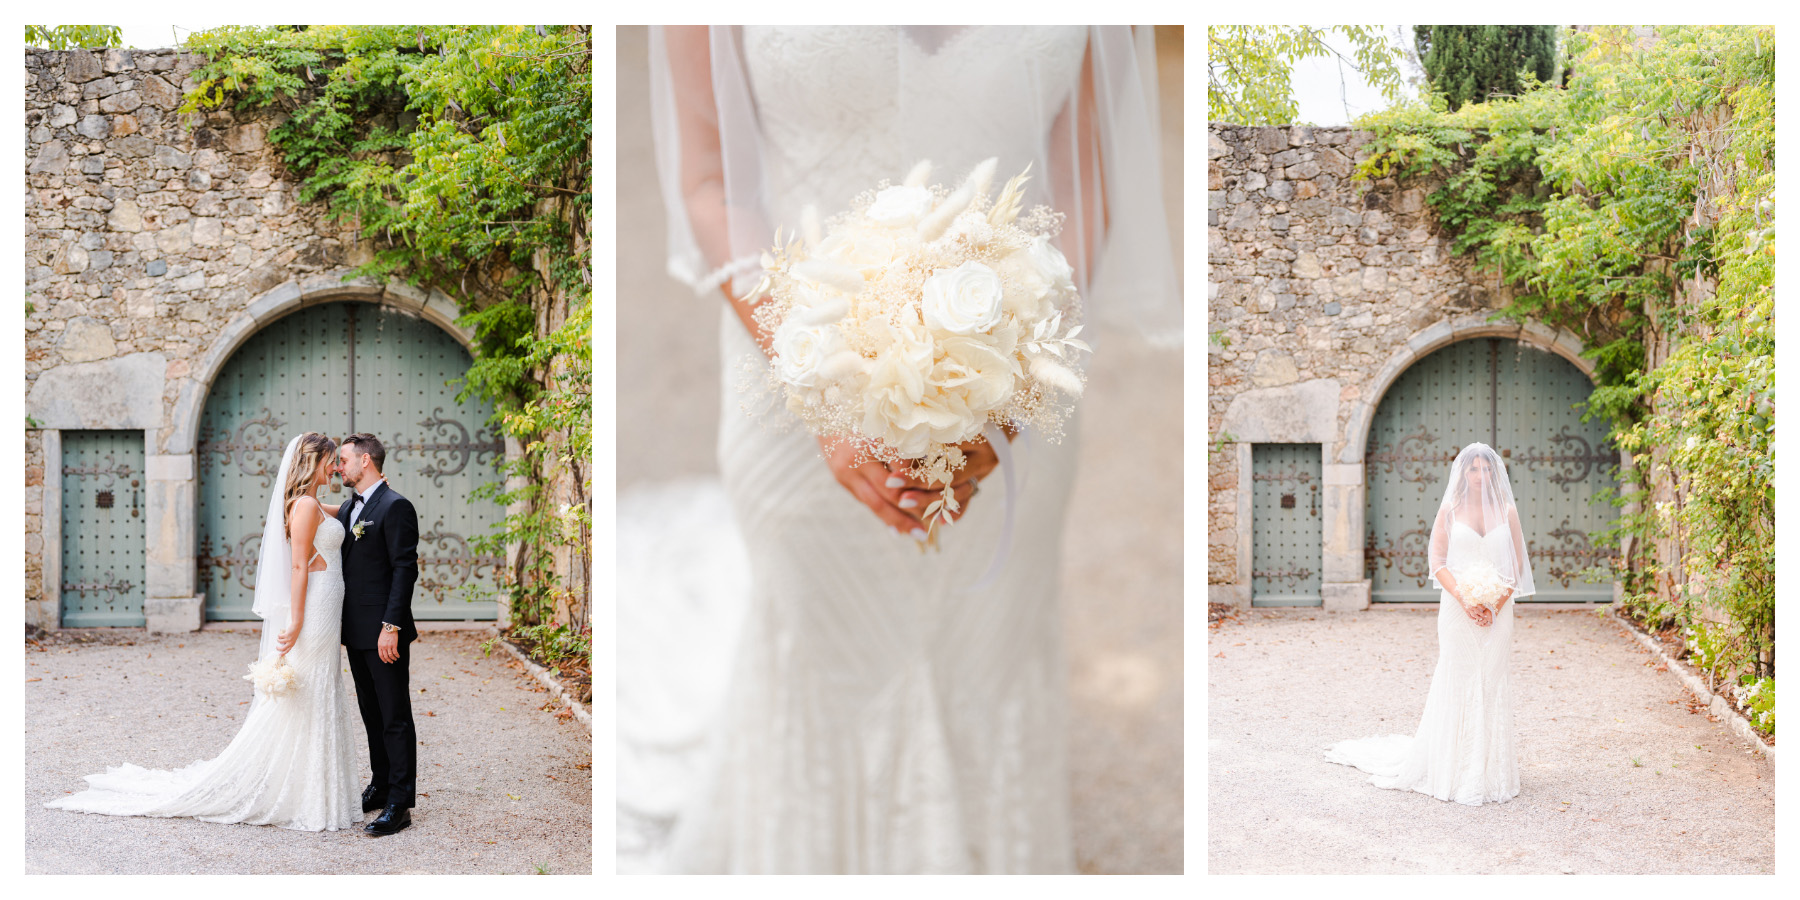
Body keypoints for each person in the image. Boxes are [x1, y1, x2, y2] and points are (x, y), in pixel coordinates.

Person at [629, 25, 1177, 873]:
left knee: (985, 641)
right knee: (824, 646)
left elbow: (1080, 180)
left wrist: (1011, 397)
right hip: (789, 369)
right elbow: (709, 181)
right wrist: (823, 393)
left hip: (1014, 374)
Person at [46, 433, 361, 831]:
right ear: (313, 462)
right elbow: (299, 567)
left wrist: (369, 501)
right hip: (313, 609)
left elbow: (349, 514)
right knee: (311, 689)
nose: (336, 468)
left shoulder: (313, 503)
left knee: (323, 686)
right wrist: (296, 620)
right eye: (331, 461)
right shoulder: (304, 506)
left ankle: (317, 790)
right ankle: (306, 793)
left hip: (328, 606)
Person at [1325, 442, 1534, 805]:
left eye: (1487, 469)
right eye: (1474, 469)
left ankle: (1487, 771)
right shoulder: (1450, 509)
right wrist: (1468, 600)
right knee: (1459, 678)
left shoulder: (1508, 511)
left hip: (1498, 610)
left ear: (1495, 473)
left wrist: (1494, 605)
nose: (1481, 476)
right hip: (1457, 608)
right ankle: (1453, 770)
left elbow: (1515, 567)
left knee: (1490, 681)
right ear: (1463, 473)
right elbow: (1437, 561)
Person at [332, 433, 421, 836]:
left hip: (385, 631)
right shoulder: (352, 507)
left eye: (344, 459)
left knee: (394, 717)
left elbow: (405, 569)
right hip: (356, 631)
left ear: (366, 461)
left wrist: (392, 627)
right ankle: (381, 784)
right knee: (371, 714)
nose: (339, 466)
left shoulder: (396, 506)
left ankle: (400, 804)